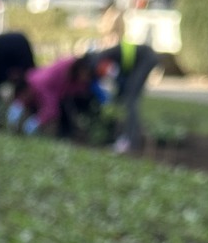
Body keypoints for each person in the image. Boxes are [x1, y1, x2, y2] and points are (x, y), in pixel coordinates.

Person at [85, 8, 165, 153]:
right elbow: (120, 81)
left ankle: (131, 140)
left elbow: (121, 78)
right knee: (127, 98)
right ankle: (127, 136)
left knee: (131, 101)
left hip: (146, 59)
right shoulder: (110, 60)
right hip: (139, 63)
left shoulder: (106, 56)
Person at [15, 55, 95, 137]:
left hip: (41, 85)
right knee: (51, 116)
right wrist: (36, 121)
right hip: (43, 86)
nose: (86, 77)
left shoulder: (77, 79)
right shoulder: (62, 72)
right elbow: (50, 108)